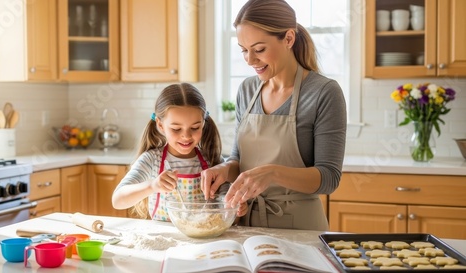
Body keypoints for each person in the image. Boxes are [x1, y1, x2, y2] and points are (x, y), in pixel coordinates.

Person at [201, 0, 347, 230]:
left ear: (289, 38)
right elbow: (239, 161)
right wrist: (223, 170)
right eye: (244, 50)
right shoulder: (247, 90)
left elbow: (329, 178)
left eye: (259, 49)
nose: (249, 60)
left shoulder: (324, 92)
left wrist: (273, 174)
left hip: (300, 229)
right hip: (247, 226)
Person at [111, 83, 235, 221]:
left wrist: (233, 207)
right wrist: (152, 186)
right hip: (164, 239)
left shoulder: (213, 160)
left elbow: (226, 204)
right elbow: (118, 200)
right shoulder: (152, 160)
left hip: (204, 239)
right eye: (176, 129)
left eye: (195, 127)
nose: (186, 136)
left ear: (203, 123)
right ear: (160, 125)